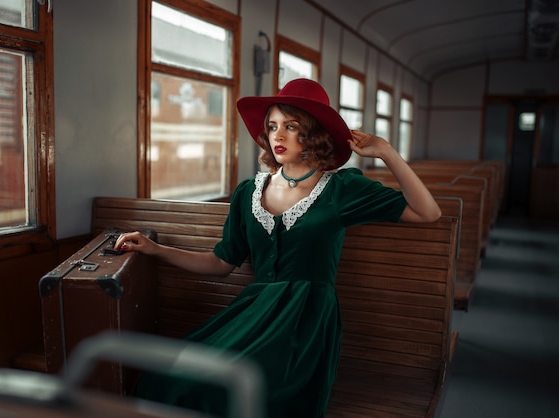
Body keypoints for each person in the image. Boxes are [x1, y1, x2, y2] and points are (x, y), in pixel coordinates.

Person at [115, 78, 441, 417]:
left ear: (312, 133)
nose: (278, 136)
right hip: (254, 312)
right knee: (166, 379)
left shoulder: (342, 188)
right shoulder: (248, 192)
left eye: (291, 126)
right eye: (272, 127)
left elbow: (427, 212)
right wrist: (156, 250)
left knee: (227, 392)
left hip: (305, 322)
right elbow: (221, 262)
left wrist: (386, 152)